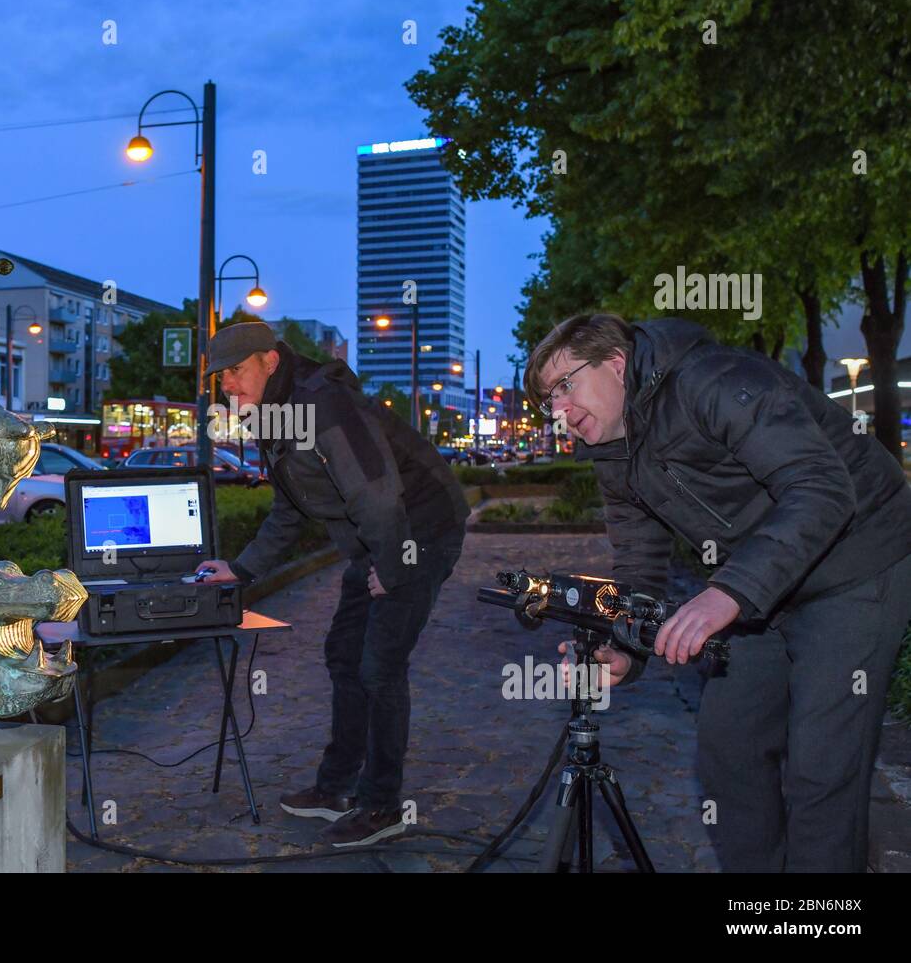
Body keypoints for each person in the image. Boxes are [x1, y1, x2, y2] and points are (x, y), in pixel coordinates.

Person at [526, 313, 911, 872]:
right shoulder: (613, 451)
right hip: (759, 582)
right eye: (547, 399)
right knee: (730, 753)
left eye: (565, 385)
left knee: (821, 769)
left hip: (855, 560)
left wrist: (726, 592)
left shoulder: (714, 380)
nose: (558, 409)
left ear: (616, 363)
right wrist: (624, 650)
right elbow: (639, 565)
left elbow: (822, 490)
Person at [194, 321, 470, 848]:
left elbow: (377, 495)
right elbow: (288, 508)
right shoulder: (273, 418)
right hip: (377, 539)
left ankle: (382, 806)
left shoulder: (323, 405)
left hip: (419, 530)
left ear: (270, 361)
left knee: (379, 667)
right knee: (344, 655)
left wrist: (391, 569)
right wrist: (243, 568)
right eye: (220, 378)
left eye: (235, 371)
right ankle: (336, 789)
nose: (226, 385)